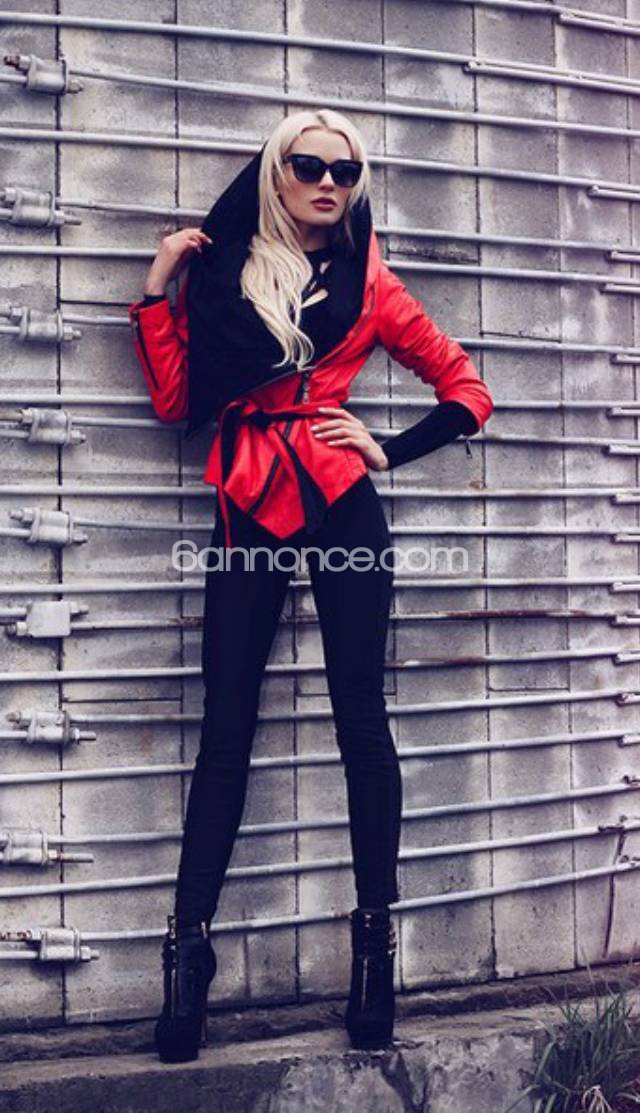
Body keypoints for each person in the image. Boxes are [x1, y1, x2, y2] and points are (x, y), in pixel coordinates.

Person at [128, 107, 494, 1064]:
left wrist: (388, 447)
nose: (329, 182)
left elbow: (468, 391)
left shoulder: (370, 282)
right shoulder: (222, 274)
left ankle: (374, 955)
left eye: (345, 169)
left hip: (340, 502)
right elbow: (176, 401)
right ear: (276, 172)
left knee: (361, 720)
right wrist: (159, 286)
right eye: (309, 164)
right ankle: (188, 955)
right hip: (248, 499)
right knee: (227, 726)